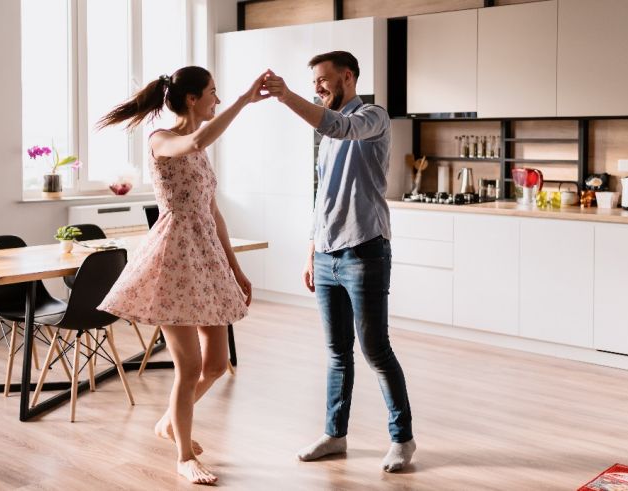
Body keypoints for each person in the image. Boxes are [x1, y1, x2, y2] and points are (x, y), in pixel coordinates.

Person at [96, 66, 269, 484]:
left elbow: (213, 212)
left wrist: (236, 268)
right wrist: (246, 99)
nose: (218, 99)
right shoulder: (162, 140)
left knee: (217, 362)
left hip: (205, 258)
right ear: (192, 99)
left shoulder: (199, 148)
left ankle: (170, 421)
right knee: (189, 368)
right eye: (213, 92)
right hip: (173, 262)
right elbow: (195, 140)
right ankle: (183, 456)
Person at [264, 51, 416, 472]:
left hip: (365, 249)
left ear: (348, 77)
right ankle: (335, 434)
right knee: (336, 354)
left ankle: (402, 439)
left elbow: (342, 126)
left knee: (375, 350)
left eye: (323, 80)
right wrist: (312, 249)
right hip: (328, 254)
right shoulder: (325, 131)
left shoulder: (373, 117)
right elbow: (324, 195)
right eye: (313, 81)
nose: (317, 87)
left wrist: (287, 96)